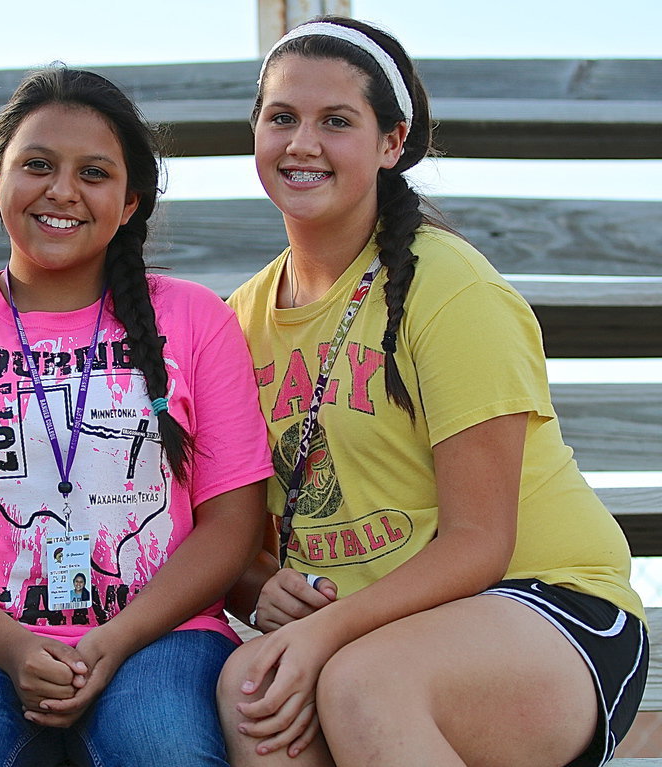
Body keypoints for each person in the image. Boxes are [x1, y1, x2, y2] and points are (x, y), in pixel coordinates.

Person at [217, 16, 648, 767]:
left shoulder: (450, 287)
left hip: (547, 608)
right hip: (371, 629)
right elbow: (239, 536)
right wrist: (263, 588)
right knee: (253, 683)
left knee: (364, 684)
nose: (302, 143)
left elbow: (482, 541)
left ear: (392, 143)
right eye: (281, 117)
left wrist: (325, 630)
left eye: (337, 121)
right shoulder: (238, 321)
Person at [0, 65, 274, 767]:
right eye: (38, 165)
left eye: (94, 173)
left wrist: (117, 637)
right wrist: (12, 644)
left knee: (164, 744)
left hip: (163, 632)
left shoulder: (198, 320)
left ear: (132, 200)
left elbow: (231, 523)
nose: (62, 191)